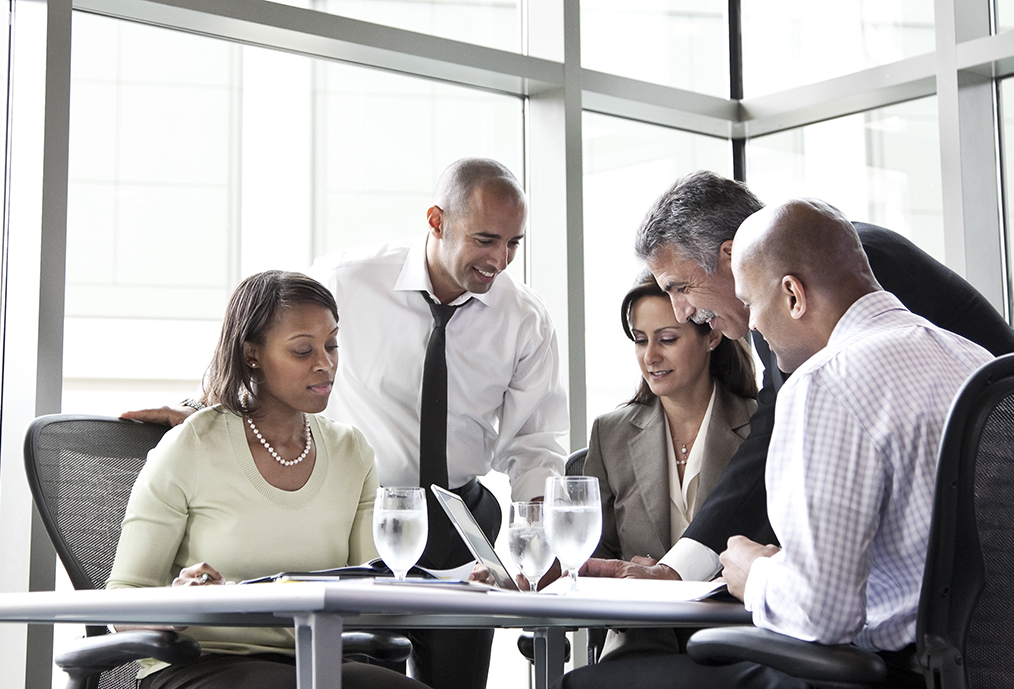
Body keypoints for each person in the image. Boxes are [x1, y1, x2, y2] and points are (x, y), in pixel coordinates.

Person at [124, 158, 570, 689]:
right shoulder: (347, 280)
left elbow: (536, 444)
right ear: (436, 220)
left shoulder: (524, 318)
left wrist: (542, 542)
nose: (499, 259)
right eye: (485, 239)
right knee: (358, 658)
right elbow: (275, 330)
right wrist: (209, 409)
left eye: (514, 243)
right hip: (367, 504)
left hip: (455, 514)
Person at [559, 199, 995, 689]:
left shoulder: (827, 376)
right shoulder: (975, 360)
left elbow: (822, 613)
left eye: (752, 303)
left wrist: (757, 572)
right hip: (1004, 658)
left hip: (890, 668)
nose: (756, 327)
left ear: (790, 294)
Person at [580, 170, 1014, 585]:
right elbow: (770, 442)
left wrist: (765, 575)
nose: (682, 312)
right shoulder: (777, 314)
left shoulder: (836, 273)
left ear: (731, 255)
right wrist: (680, 569)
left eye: (679, 287)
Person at [106, 271, 427, 689]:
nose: (325, 363)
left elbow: (372, 585)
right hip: (201, 663)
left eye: (331, 345)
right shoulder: (192, 446)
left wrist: (456, 581)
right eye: (301, 351)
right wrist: (181, 603)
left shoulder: (352, 452)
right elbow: (124, 595)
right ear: (252, 355)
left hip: (317, 661)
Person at [580, 274, 756, 660]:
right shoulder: (610, 433)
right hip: (638, 643)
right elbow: (589, 555)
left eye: (668, 339)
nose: (650, 356)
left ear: (711, 336)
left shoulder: (761, 428)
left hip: (736, 645)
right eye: (640, 340)